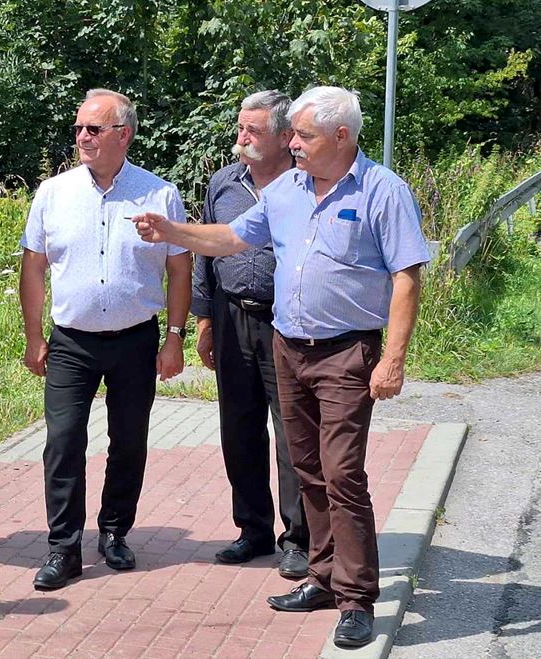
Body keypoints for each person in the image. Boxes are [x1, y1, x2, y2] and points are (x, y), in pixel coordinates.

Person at [135, 86, 429, 648]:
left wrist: (392, 359)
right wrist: (172, 232)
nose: (293, 144)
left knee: (342, 473)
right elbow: (230, 237)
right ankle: (322, 576)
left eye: (304, 136)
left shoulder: (383, 191)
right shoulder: (287, 189)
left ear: (341, 136)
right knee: (307, 468)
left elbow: (406, 277)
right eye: (291, 134)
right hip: (288, 347)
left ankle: (356, 598)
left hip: (347, 352)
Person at [20, 89, 192, 590]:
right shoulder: (53, 193)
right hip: (71, 342)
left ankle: (115, 532)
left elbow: (180, 270)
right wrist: (33, 335)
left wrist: (175, 338)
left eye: (93, 129)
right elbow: (33, 267)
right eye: (78, 128)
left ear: (124, 134)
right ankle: (63, 547)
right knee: (63, 442)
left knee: (129, 441)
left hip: (135, 340)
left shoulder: (159, 195)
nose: (82, 137)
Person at [192, 90, 310, 578]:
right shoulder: (224, 183)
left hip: (286, 323)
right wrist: (203, 321)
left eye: (253, 130)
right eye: (241, 127)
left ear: (285, 137)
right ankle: (253, 529)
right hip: (231, 316)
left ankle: (299, 539)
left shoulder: (307, 184)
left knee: (292, 433)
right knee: (239, 429)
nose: (242, 137)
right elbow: (205, 250)